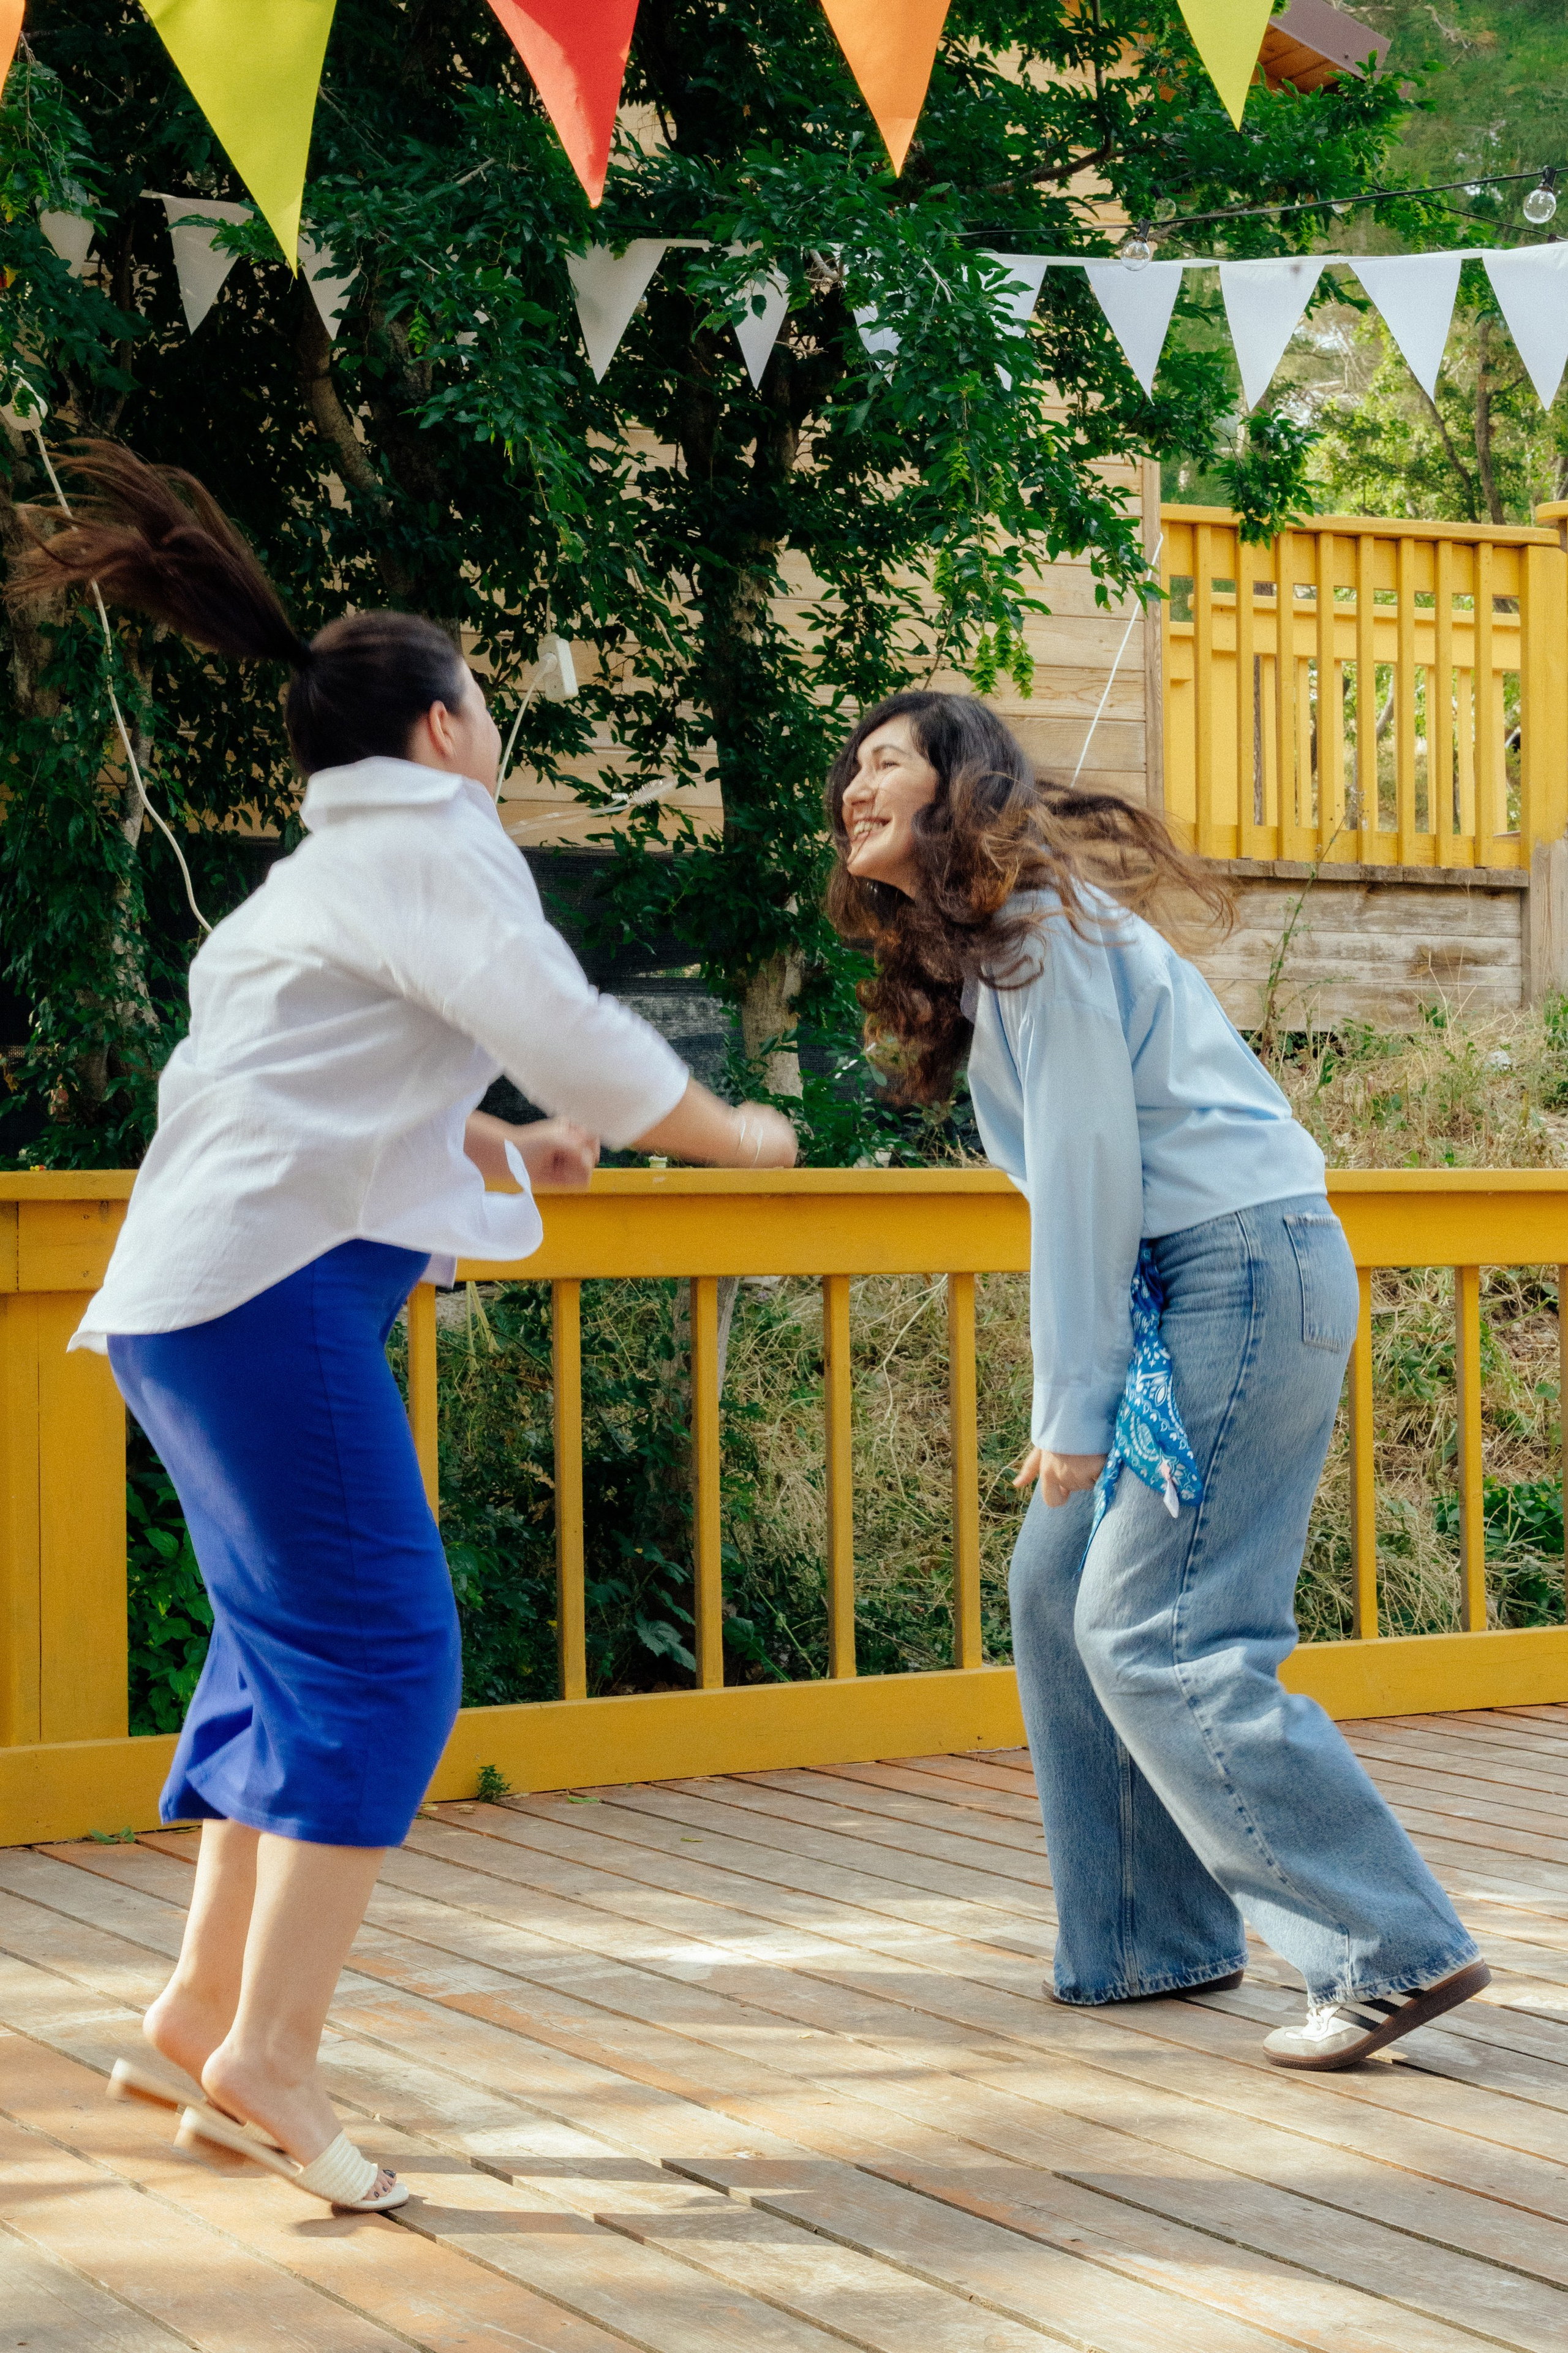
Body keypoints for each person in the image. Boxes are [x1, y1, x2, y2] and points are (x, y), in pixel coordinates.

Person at [9, 444, 796, 2211]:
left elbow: (302, 1089)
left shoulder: (314, 885)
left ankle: (200, 2014)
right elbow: (559, 1016)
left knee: (285, 1653)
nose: (492, 734)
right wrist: (723, 1127)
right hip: (262, 1302)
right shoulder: (436, 847)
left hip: (197, 1303)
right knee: (383, 1655)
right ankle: (268, 2059)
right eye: (483, 706)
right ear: (443, 730)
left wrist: (501, 1142)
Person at [826, 687, 1488, 2071]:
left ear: (958, 791)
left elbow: (1084, 1177)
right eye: (853, 767)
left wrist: (1071, 1408)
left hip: (1235, 1272)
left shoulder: (1039, 931)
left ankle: (1388, 1947)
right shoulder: (1004, 943)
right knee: (1057, 1590)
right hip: (1202, 1284)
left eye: (889, 760)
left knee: (1159, 1629)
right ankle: (1144, 1937)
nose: (856, 783)